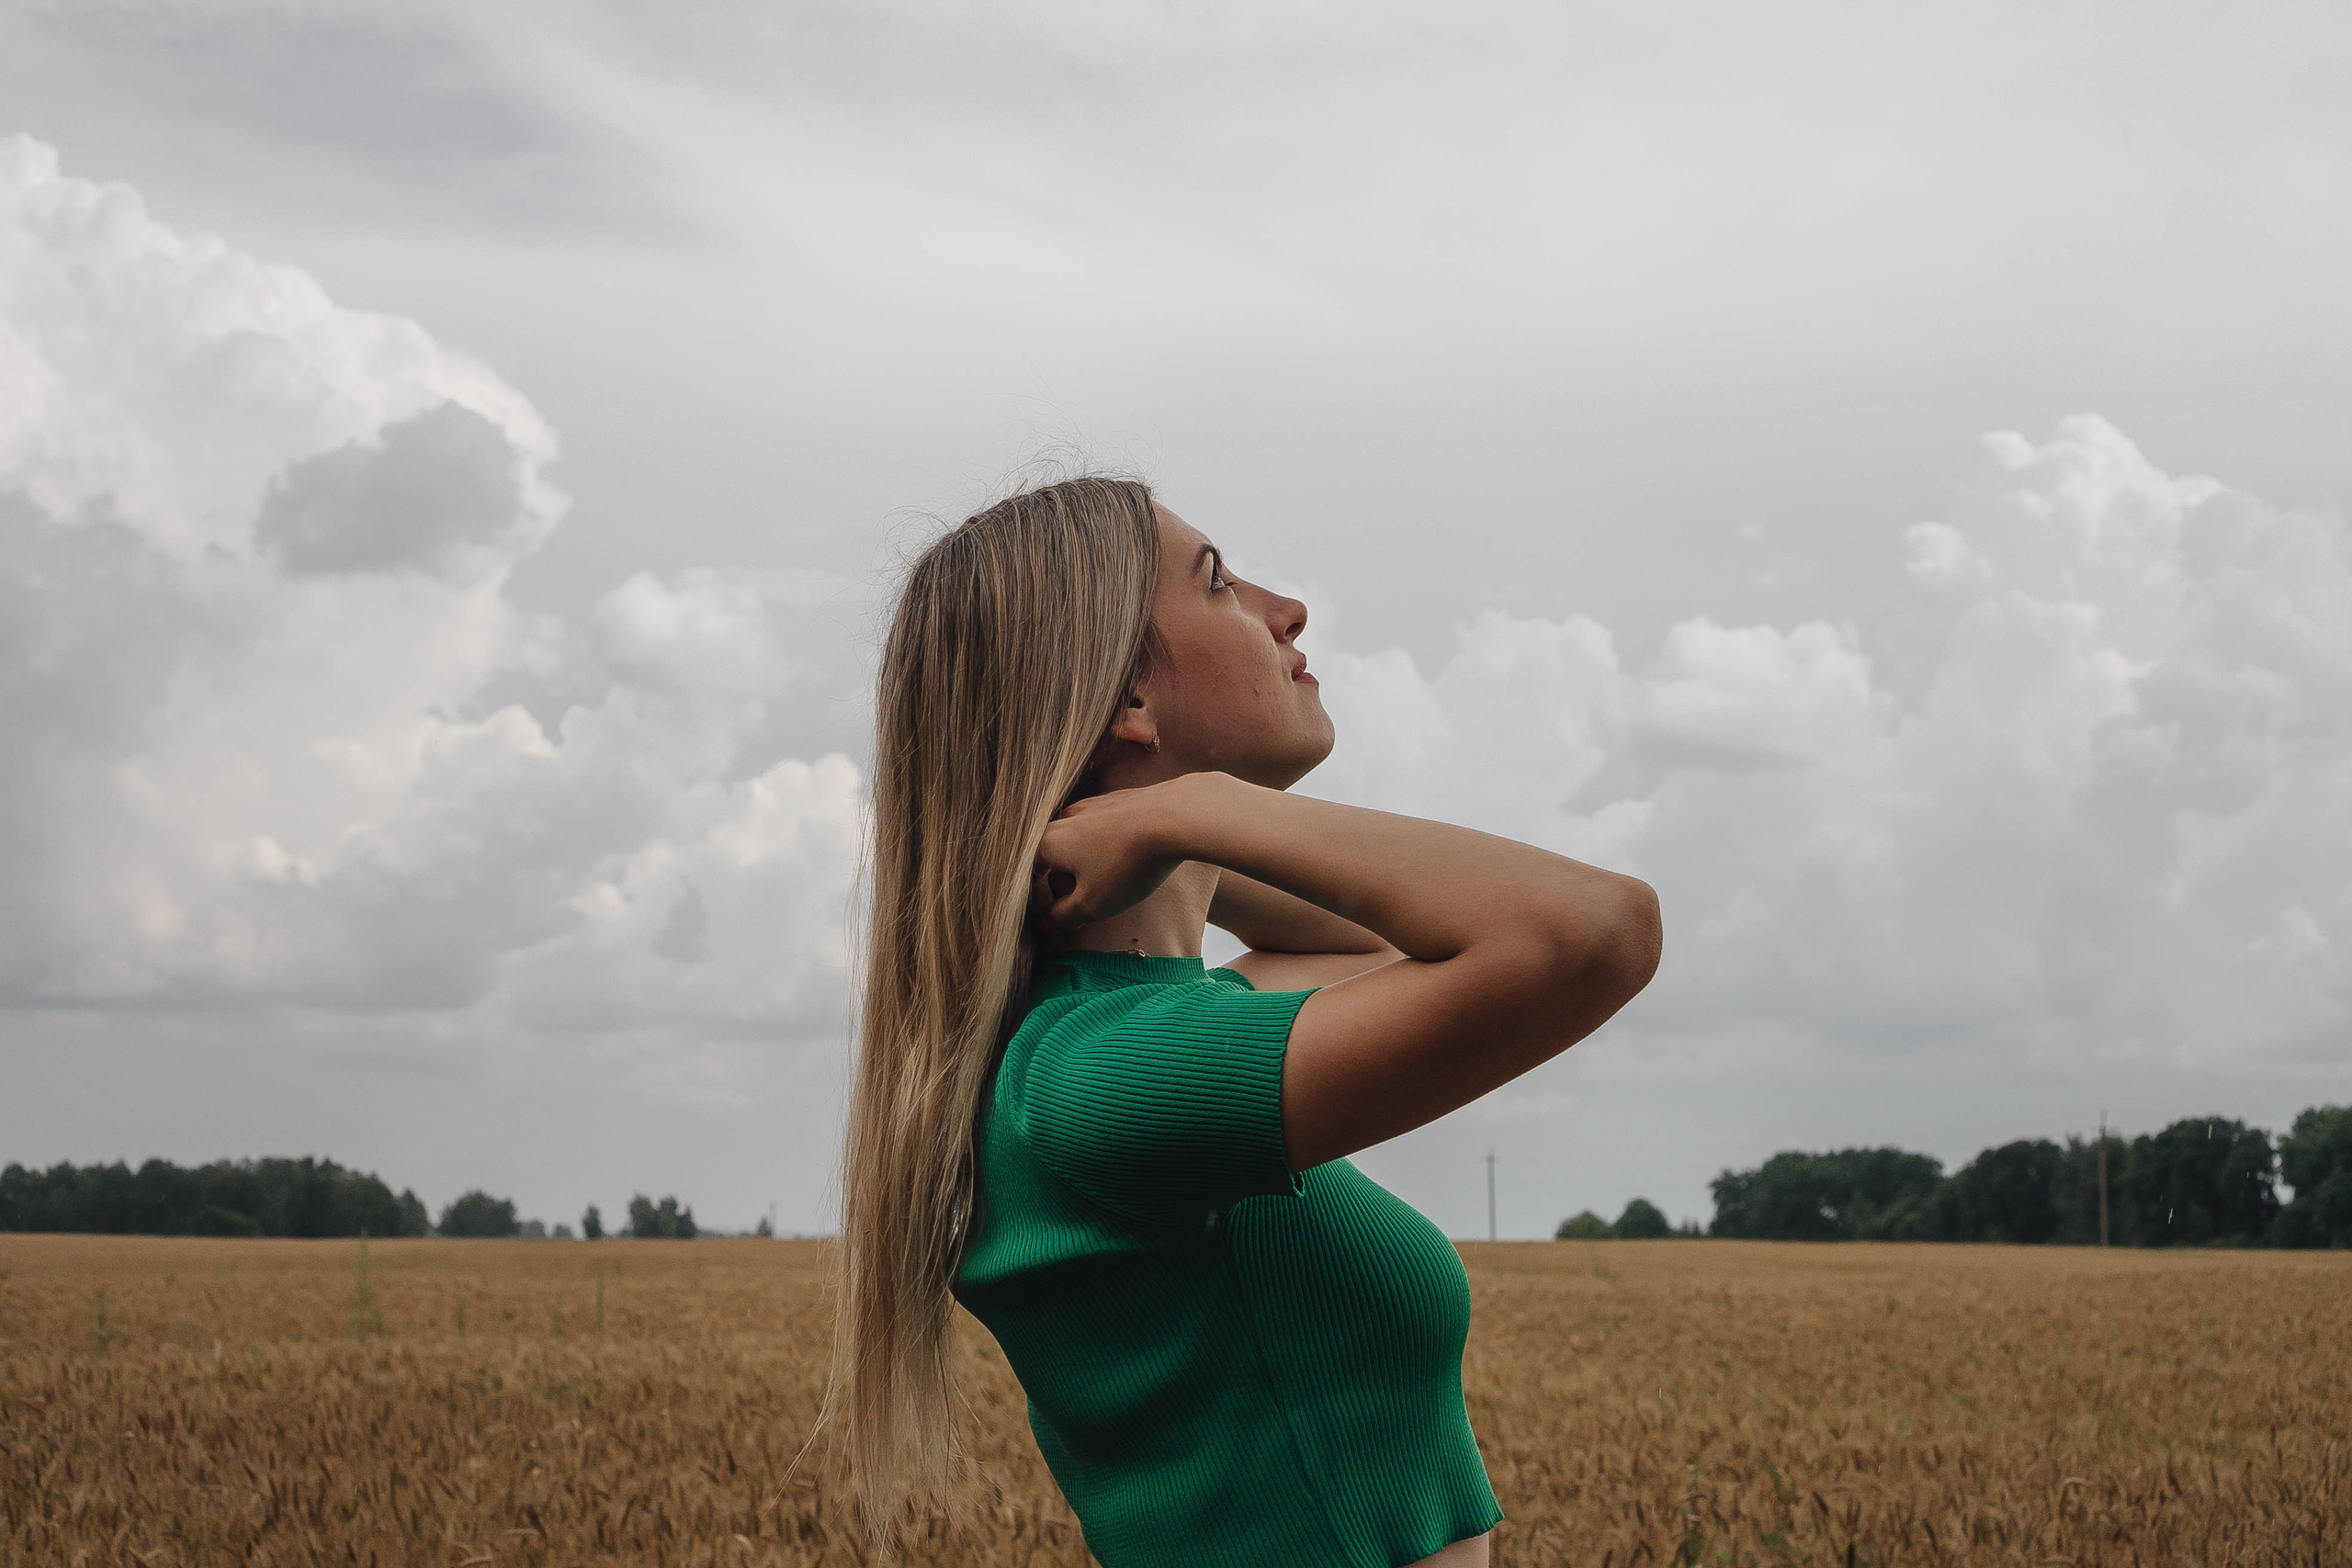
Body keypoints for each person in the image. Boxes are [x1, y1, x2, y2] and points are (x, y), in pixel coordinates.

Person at [815, 475, 1662, 1566]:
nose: (1286, 611)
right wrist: (1199, 810)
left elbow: (1377, 949)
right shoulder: (1100, 1078)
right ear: (1126, 698)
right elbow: (1594, 934)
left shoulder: (1126, 1038)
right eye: (1217, 582)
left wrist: (1171, 846)